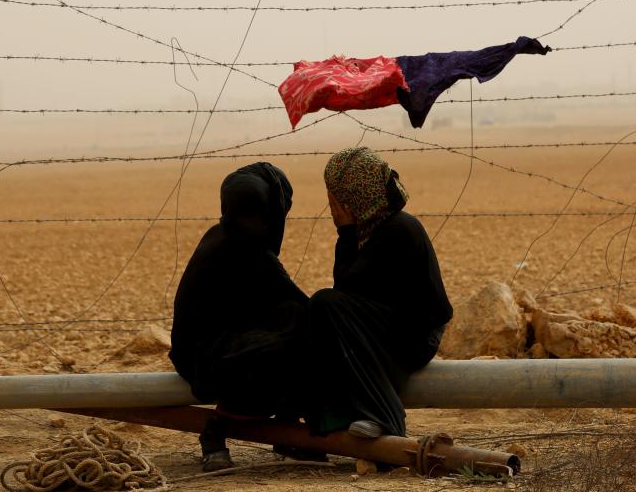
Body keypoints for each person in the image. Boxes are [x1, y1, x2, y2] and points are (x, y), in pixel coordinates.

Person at [304, 147, 453, 439]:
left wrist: (345, 233)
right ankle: (339, 414)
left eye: (337, 200)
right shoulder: (373, 227)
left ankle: (384, 415)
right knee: (322, 314)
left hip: (414, 336)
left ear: (357, 199)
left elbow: (346, 291)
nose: (332, 207)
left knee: (325, 305)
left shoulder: (396, 230)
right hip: (389, 325)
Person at [169, 162, 309, 471]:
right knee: (296, 346)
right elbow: (299, 307)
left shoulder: (225, 237)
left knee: (295, 330)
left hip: (216, 347)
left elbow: (285, 304)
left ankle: (288, 431)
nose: (249, 222)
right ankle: (216, 430)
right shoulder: (248, 250)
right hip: (205, 357)